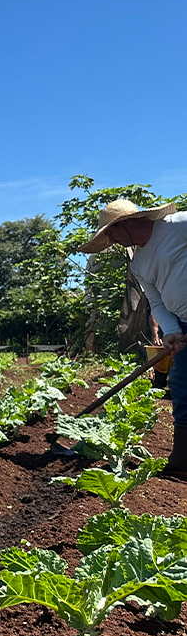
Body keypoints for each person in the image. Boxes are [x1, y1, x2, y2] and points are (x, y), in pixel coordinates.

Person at [78, 198, 186, 476]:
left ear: (125, 223)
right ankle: (183, 459)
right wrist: (171, 331)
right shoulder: (138, 264)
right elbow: (157, 303)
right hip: (182, 325)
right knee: (181, 385)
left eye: (111, 232)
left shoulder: (178, 226)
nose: (110, 239)